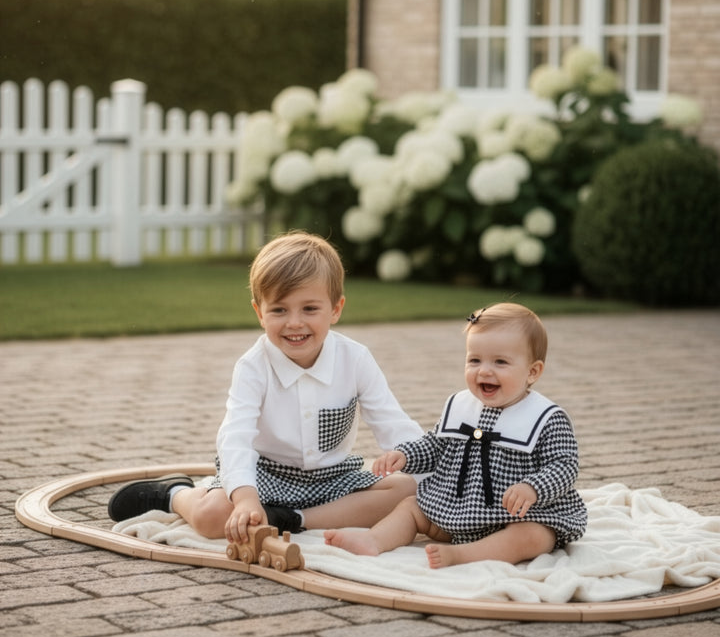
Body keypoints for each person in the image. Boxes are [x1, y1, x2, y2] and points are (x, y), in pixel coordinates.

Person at [108, 231, 423, 545]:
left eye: (309, 309)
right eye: (279, 310)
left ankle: (293, 519)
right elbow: (235, 437)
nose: (294, 323)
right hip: (266, 475)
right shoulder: (253, 366)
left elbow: (393, 425)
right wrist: (246, 500)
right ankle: (175, 493)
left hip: (332, 477)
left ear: (336, 309)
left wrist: (431, 472)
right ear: (260, 312)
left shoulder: (355, 359)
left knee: (407, 489)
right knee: (212, 517)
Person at [325, 302, 587, 569]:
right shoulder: (461, 406)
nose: (484, 370)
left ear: (532, 371)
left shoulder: (545, 417)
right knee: (411, 507)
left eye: (500, 362)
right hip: (457, 509)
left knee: (534, 536)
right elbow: (435, 446)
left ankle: (464, 555)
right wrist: (405, 455)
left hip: (516, 516)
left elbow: (564, 466)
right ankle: (374, 540)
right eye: (475, 360)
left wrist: (533, 487)